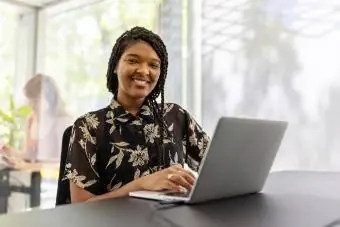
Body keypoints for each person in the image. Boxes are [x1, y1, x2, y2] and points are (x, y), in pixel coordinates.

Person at [64, 26, 210, 203]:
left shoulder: (176, 116)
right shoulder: (89, 126)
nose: (144, 71)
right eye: (133, 61)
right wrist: (142, 184)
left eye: (153, 65)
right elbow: (80, 205)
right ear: (115, 66)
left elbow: (217, 165)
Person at [1, 74, 72, 162]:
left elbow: (61, 163)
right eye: (29, 100)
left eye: (36, 101)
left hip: (51, 175)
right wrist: (9, 151)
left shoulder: (63, 121)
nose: (31, 105)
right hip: (32, 174)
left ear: (50, 99)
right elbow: (28, 155)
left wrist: (27, 167)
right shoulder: (31, 120)